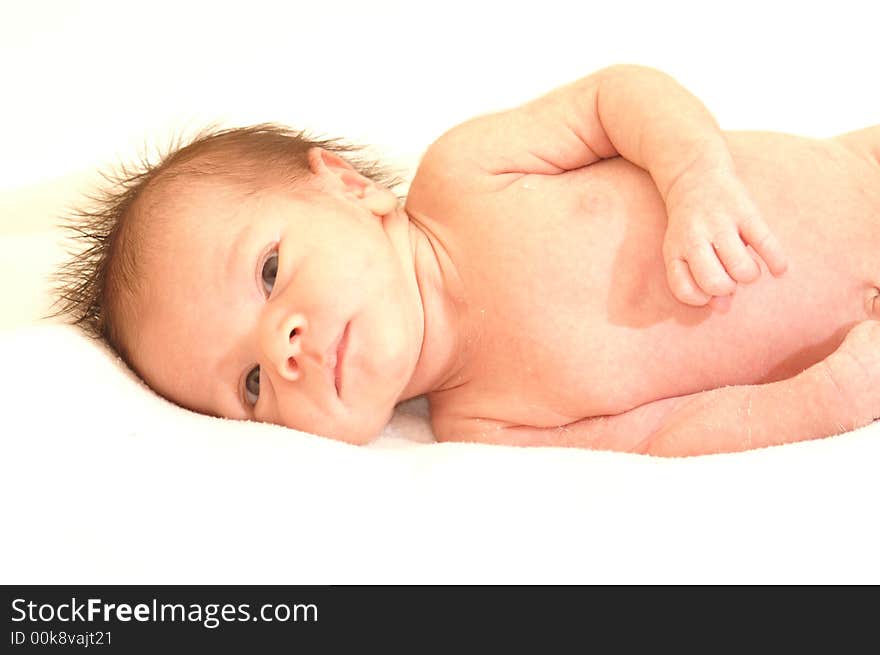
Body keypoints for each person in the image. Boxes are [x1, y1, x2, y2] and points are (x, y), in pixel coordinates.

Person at [54, 64, 880, 456]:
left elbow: (617, 98)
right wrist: (829, 397)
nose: (284, 345)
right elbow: (665, 436)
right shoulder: (482, 428)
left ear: (345, 185)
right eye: (251, 384)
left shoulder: (464, 176)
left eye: (270, 272)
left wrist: (695, 177)